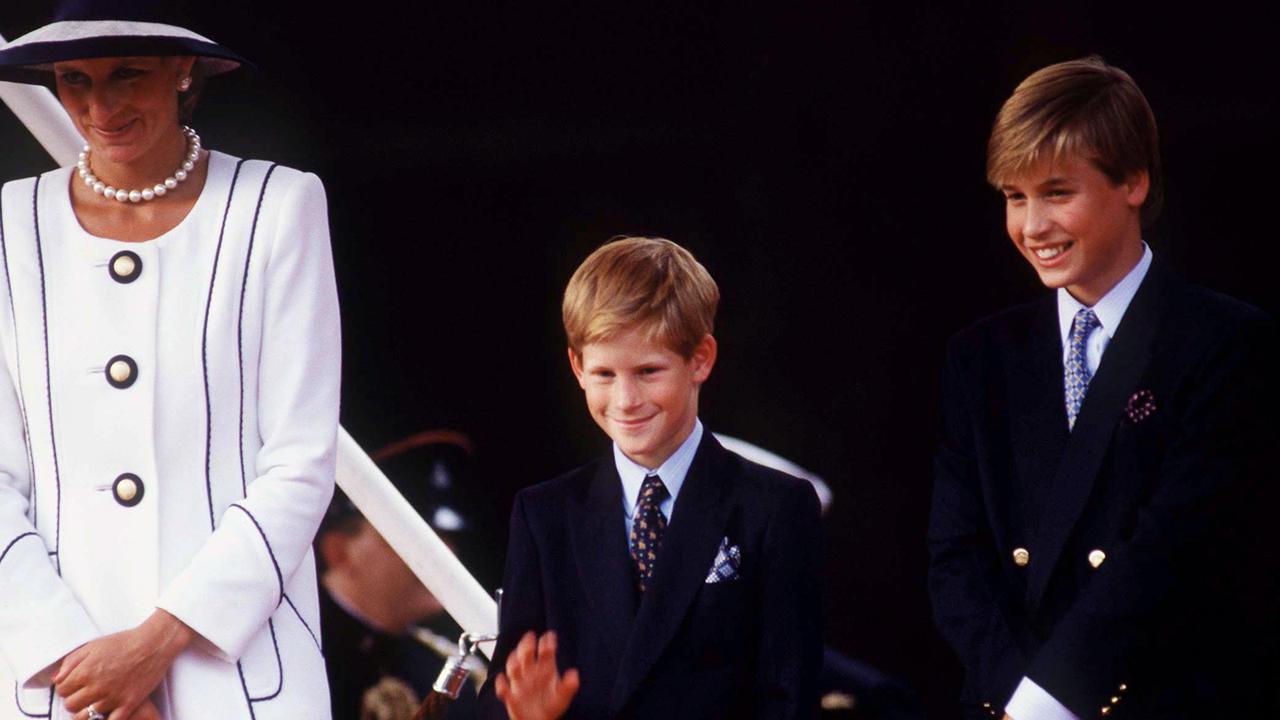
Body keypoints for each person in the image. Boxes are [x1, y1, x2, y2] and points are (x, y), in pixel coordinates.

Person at [0, 2, 340, 718]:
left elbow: (301, 462)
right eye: (73, 79)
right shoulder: (9, 225)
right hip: (62, 682)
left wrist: (155, 645)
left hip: (243, 678)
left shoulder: (277, 206)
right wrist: (86, 673)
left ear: (184, 69)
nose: (99, 106)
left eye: (127, 74)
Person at [928, 56, 1279, 720]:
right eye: (1014, 196)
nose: (1033, 227)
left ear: (1134, 182)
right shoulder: (979, 358)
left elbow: (1172, 552)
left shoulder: (1226, 344)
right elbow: (956, 563)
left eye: (1058, 192)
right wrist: (1015, 700)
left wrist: (1052, 699)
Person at [476, 236, 823, 719]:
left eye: (648, 370)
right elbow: (502, 692)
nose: (625, 400)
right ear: (576, 366)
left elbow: (789, 697)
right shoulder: (545, 515)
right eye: (604, 374)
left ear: (700, 359)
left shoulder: (775, 507)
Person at [318, 431, 483, 720]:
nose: (443, 555)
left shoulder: (450, 671)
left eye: (447, 538)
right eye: (410, 540)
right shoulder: (287, 647)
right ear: (339, 550)